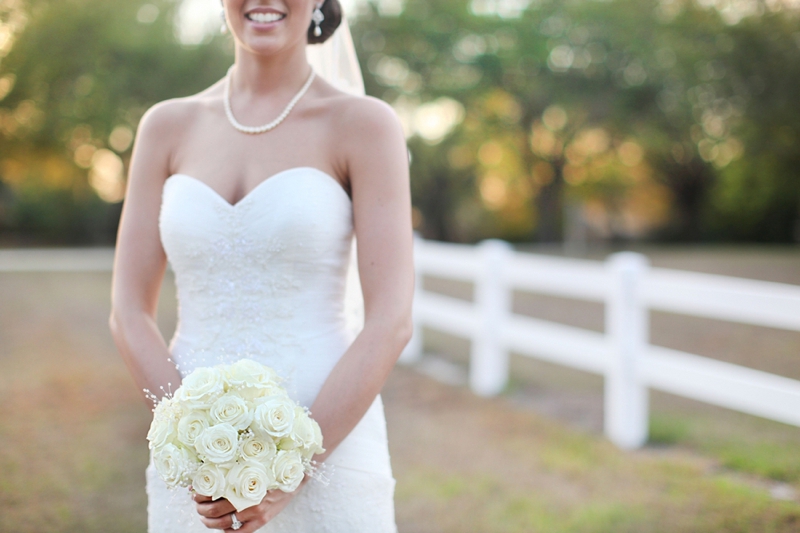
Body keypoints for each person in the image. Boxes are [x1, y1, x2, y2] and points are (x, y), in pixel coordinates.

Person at [108, 0, 414, 531]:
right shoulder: (166, 126)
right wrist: (191, 442)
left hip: (331, 439)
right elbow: (128, 311)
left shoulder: (364, 124)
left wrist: (291, 470)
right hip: (193, 469)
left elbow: (392, 319)